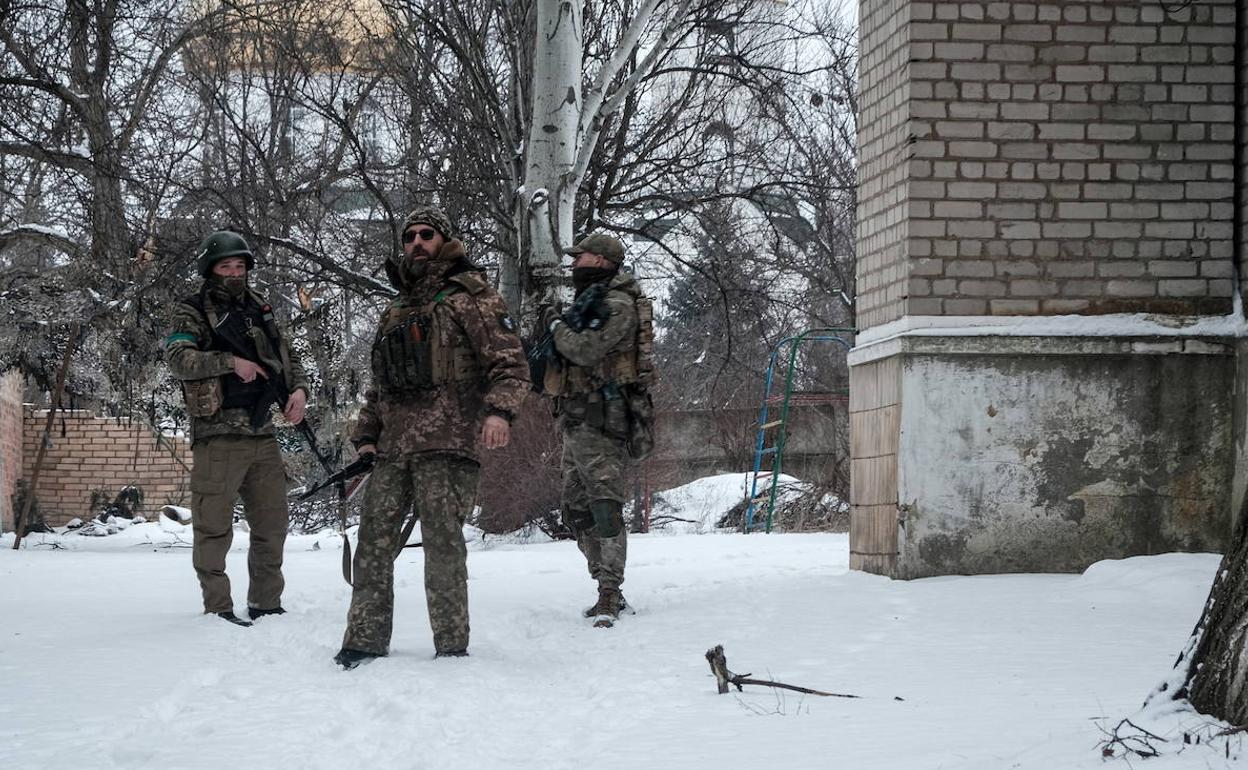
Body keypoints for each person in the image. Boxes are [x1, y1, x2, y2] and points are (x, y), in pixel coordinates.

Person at [334, 205, 529, 669]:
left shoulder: (471, 296)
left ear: (444, 240)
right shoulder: (396, 307)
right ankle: (364, 639)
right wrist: (367, 436)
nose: (417, 243)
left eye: (427, 235)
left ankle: (451, 645)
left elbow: (510, 363)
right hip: (395, 448)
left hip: (448, 441)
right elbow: (380, 383)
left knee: (443, 546)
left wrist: (499, 412)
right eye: (409, 237)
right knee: (373, 543)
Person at [165, 230, 309, 627]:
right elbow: (179, 359)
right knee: (213, 527)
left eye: (240, 265)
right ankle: (218, 608)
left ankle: (266, 602)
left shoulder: (260, 308)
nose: (234, 272)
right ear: (211, 269)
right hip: (219, 435)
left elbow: (286, 354)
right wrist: (232, 363)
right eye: (226, 265)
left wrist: (298, 389)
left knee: (272, 524)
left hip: (262, 433)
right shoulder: (192, 309)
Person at [540, 232, 652, 628]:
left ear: (602, 262)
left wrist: (554, 321)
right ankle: (602, 579)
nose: (574, 264)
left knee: (605, 506)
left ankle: (610, 591)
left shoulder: (619, 305)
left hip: (604, 418)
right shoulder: (590, 303)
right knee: (574, 509)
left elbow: (584, 350)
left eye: (581, 256)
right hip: (576, 417)